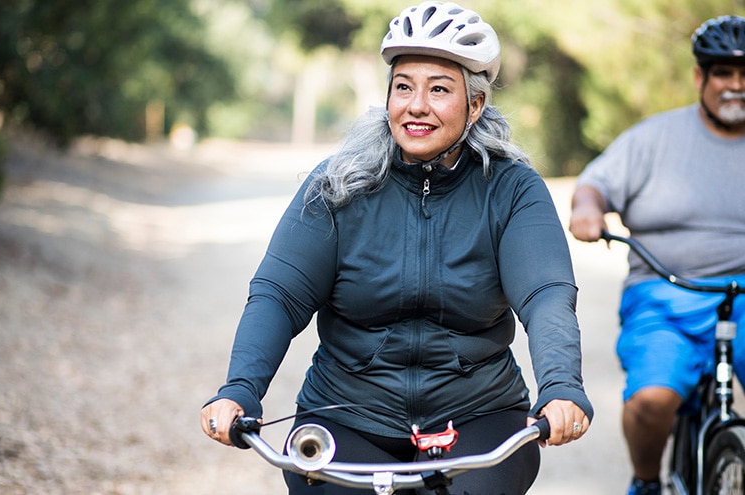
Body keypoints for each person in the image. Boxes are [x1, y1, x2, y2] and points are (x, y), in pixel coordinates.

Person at [202, 2, 593, 493]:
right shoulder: (340, 184)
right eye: (404, 86)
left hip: (479, 415)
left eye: (439, 90)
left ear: (475, 106)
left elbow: (546, 296)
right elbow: (279, 294)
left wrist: (560, 386)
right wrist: (240, 389)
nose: (416, 105)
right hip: (346, 413)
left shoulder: (512, 189)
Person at [568, 15, 745, 495]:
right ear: (700, 78)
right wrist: (588, 211)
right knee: (651, 400)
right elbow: (594, 186)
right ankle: (646, 482)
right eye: (724, 74)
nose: (737, 85)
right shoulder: (654, 138)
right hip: (666, 295)